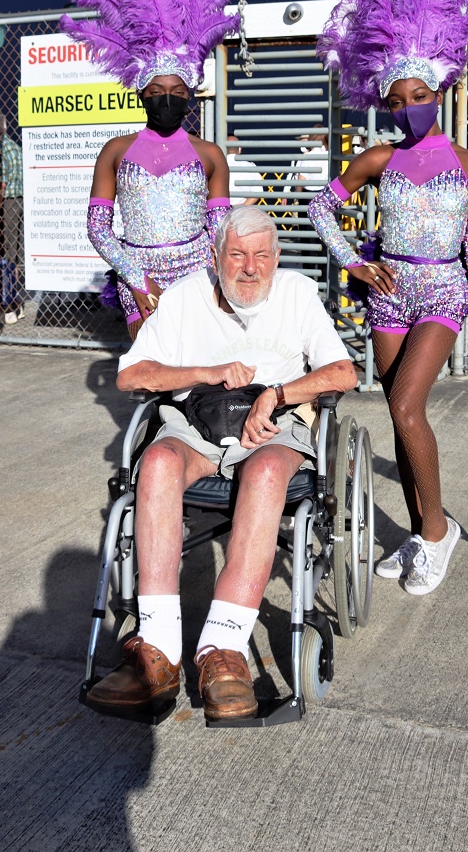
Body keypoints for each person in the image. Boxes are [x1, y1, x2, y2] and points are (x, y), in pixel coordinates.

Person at [309, 0, 468, 596]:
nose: (408, 111)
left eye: (419, 98)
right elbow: (320, 208)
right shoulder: (377, 159)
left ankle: (437, 534)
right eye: (396, 103)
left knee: (405, 407)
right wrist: (355, 262)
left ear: (442, 91)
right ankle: (418, 529)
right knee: (401, 419)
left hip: (441, 297)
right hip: (388, 294)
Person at [86, 207, 357, 720]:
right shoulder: (187, 296)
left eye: (261, 256)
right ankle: (159, 652)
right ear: (215, 257)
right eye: (237, 255)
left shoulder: (297, 294)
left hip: (272, 425)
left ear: (277, 259)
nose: (250, 268)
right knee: (158, 462)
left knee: (267, 472)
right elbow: (131, 375)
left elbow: (342, 370)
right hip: (199, 422)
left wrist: (277, 393)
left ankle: (222, 650)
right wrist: (207, 372)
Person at [61, 0, 239, 340]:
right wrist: (137, 280)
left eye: (177, 93)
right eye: (157, 93)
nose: (167, 101)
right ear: (141, 93)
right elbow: (98, 228)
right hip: (135, 272)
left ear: (190, 96)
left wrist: (221, 281)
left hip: (199, 271)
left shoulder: (209, 154)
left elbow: (219, 228)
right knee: (153, 372)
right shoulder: (116, 151)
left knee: (201, 364)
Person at [0, 113, 24, 323]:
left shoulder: (0, 147)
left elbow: (1, 183)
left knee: (7, 254)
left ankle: (9, 304)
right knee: (15, 253)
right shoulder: (12, 144)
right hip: (18, 200)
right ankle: (14, 303)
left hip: (8, 202)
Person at [226, 134, 264, 205]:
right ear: (240, 149)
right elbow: (257, 193)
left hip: (219, 211)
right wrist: (241, 208)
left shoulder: (217, 166)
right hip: (241, 212)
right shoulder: (250, 167)